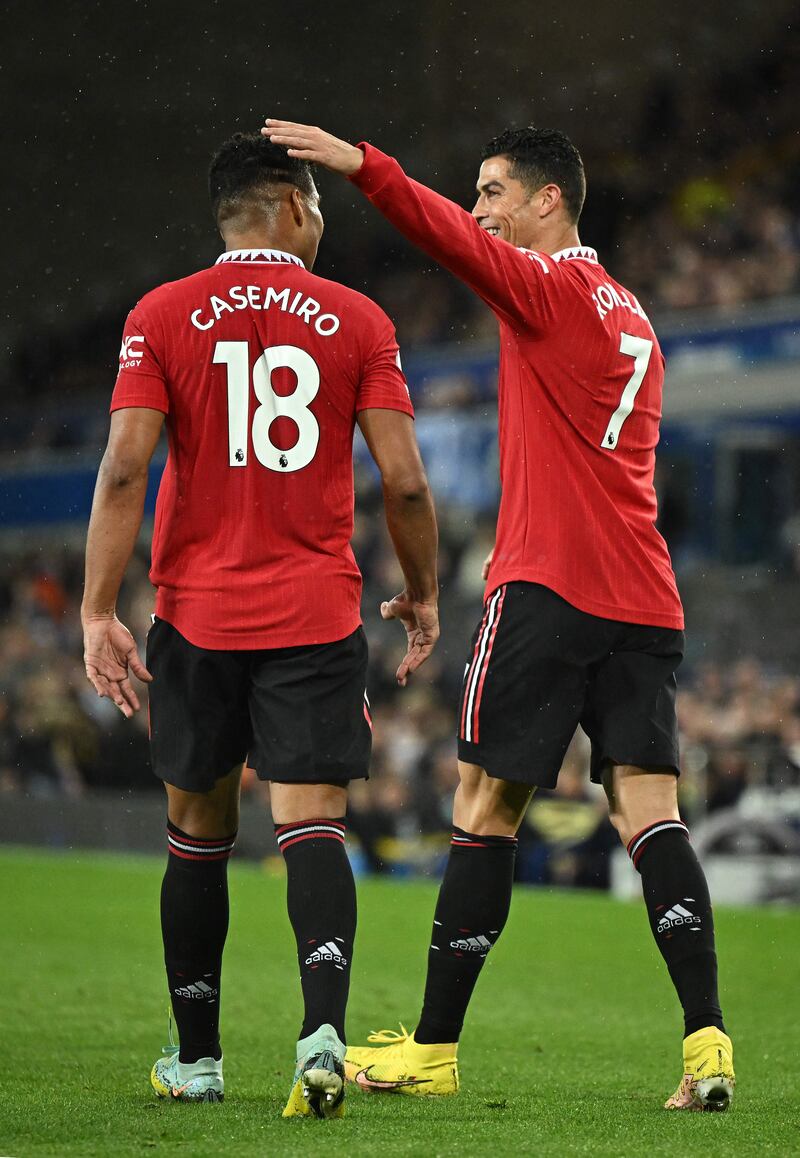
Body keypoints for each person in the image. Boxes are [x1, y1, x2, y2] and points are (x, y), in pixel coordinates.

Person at [262, 118, 735, 1112]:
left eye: (491, 189)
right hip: (642, 601)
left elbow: (452, 245)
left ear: (545, 199)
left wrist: (368, 169)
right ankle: (706, 1050)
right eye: (474, 191)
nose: (480, 208)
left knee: (485, 813)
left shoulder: (554, 288)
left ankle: (431, 1053)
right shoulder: (632, 316)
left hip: (548, 589)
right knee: (651, 815)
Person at [81, 132, 439, 1119]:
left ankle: (197, 1061)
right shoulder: (356, 320)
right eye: (318, 205)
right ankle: (319, 1034)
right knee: (310, 823)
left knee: (195, 833)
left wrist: (97, 610)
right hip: (314, 612)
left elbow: (122, 469)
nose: (324, 221)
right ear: (287, 204)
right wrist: (423, 593)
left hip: (196, 616)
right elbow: (404, 483)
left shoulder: (159, 315)